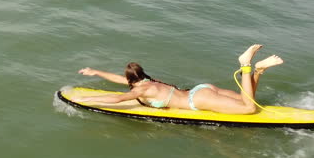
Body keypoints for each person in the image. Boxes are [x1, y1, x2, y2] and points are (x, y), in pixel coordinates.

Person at [76, 44, 284, 115]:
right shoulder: (150, 81)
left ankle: (246, 65)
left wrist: (88, 101)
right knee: (246, 98)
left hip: (198, 101)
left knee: (249, 108)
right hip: (201, 89)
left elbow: (118, 100)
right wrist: (95, 72)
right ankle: (259, 71)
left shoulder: (139, 91)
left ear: (131, 80)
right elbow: (119, 79)